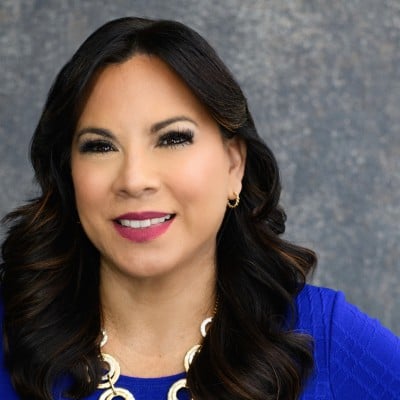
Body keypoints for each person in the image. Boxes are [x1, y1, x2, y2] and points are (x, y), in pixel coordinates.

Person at [0, 16, 399, 400]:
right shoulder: (11, 339)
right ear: (69, 174)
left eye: (172, 139)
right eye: (100, 146)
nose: (134, 179)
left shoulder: (321, 336)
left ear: (233, 164)